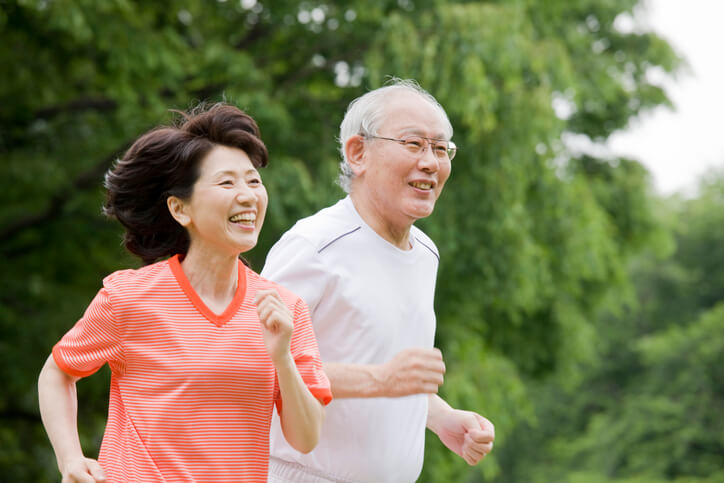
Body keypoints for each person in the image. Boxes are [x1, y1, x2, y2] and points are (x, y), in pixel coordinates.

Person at [37, 103, 332, 482]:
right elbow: (57, 373)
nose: (247, 195)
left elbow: (306, 438)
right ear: (180, 209)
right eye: (227, 183)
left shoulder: (283, 310)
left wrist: (282, 359)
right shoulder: (128, 297)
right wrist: (70, 459)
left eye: (253, 181)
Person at [264, 79, 495, 482]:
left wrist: (442, 418)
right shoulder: (313, 246)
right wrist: (381, 379)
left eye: (441, 149)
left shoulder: (425, 253)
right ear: (358, 152)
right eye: (414, 144)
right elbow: (252, 364)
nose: (430, 162)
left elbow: (394, 373)